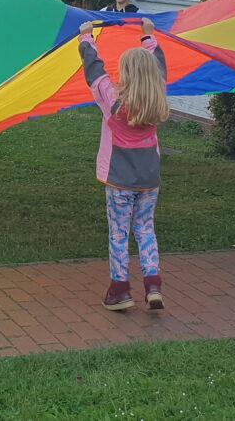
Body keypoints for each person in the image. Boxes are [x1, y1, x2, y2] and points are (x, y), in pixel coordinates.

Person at [78, 18, 168, 311]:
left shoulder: (113, 100)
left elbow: (94, 70)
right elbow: (159, 63)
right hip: (149, 177)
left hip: (119, 179)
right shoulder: (159, 97)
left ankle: (120, 290)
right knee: (145, 228)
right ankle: (153, 285)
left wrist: (86, 38)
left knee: (119, 232)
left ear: (126, 73)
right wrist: (148, 36)